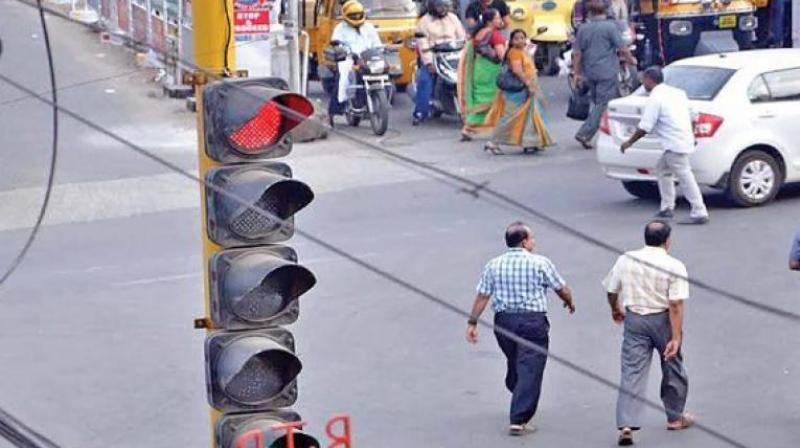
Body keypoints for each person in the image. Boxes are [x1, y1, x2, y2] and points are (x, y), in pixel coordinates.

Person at [466, 222, 576, 436]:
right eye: (532, 238)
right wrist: (569, 301)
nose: (534, 241)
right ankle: (518, 419)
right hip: (532, 322)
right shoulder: (540, 263)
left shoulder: (493, 264)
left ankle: (517, 387)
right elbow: (561, 288)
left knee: (517, 360)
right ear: (524, 241)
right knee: (530, 368)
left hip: (504, 322)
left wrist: (472, 322)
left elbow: (482, 295)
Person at [603, 221, 694, 446]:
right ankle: (675, 417)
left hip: (634, 320)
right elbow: (675, 305)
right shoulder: (674, 265)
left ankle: (626, 424)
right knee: (672, 366)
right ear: (667, 241)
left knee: (632, 370)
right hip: (662, 319)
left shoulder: (626, 259)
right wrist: (675, 337)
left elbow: (612, 289)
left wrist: (615, 309)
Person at [620, 66, 709, 225]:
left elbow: (645, 126)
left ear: (649, 80)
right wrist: (692, 135)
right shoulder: (677, 93)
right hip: (681, 140)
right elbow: (693, 116)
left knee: (685, 176)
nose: (642, 83)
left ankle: (699, 210)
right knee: (663, 170)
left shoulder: (655, 98)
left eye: (643, 80)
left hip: (674, 143)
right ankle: (667, 207)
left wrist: (629, 142)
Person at [572, 0, 636, 149]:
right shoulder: (610, 27)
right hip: (606, 71)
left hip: (590, 71)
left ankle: (601, 130)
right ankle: (585, 133)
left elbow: (577, 53)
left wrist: (577, 73)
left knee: (597, 103)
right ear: (606, 12)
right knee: (603, 104)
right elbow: (623, 48)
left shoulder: (583, 28)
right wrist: (631, 60)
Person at [483, 29, 554, 154]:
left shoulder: (523, 51)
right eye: (517, 38)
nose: (520, 40)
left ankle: (531, 142)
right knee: (511, 117)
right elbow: (517, 70)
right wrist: (528, 84)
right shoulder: (514, 53)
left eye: (522, 38)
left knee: (531, 115)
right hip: (519, 90)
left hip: (529, 86)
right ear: (511, 40)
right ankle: (493, 142)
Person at [412, 0, 466, 125]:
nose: (442, 9)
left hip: (453, 55)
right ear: (432, 7)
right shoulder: (423, 22)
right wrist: (429, 63)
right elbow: (423, 44)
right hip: (434, 55)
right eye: (439, 6)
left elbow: (462, 37)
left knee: (464, 80)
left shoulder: (453, 18)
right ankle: (420, 112)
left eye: (445, 6)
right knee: (425, 80)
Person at [457, 9, 506, 140]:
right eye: (497, 18)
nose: (500, 20)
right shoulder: (495, 34)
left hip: (479, 70)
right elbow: (502, 55)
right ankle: (470, 128)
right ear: (490, 21)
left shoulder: (478, 33)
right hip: (491, 71)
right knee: (491, 101)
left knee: (482, 100)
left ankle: (471, 128)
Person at [328, 0, 382, 118]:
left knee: (384, 73)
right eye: (353, 15)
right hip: (348, 58)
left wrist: (382, 50)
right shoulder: (340, 28)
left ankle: (374, 101)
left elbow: (377, 44)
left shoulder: (369, 27)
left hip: (367, 57)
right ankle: (334, 111)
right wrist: (342, 50)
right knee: (343, 79)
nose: (357, 17)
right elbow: (336, 44)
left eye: (358, 14)